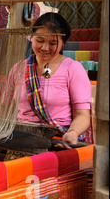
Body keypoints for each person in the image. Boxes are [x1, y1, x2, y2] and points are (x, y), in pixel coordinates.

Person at [9, 12, 92, 149]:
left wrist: (73, 132)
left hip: (57, 141)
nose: (45, 48)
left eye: (53, 43)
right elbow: (6, 107)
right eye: (40, 41)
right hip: (22, 140)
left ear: (63, 43)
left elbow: (82, 115)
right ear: (31, 37)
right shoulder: (19, 69)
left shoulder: (73, 69)